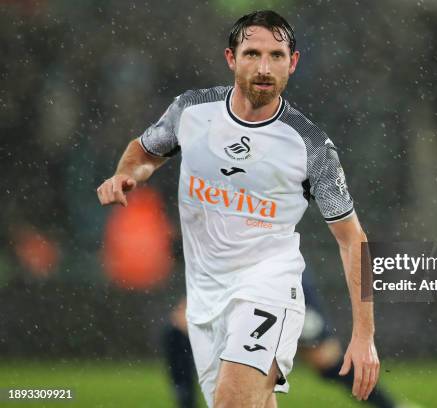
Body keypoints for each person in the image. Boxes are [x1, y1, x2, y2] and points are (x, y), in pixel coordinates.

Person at [97, 10, 378, 408]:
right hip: (206, 296)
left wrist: (364, 336)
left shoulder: (311, 145)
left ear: (293, 62)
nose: (264, 68)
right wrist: (127, 175)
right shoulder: (191, 111)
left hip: (269, 288)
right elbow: (144, 151)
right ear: (231, 58)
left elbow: (354, 241)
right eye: (252, 54)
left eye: (277, 56)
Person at [162, 271, 404, 408]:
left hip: (279, 277)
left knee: (327, 361)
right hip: (227, 273)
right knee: (178, 329)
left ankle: (391, 406)